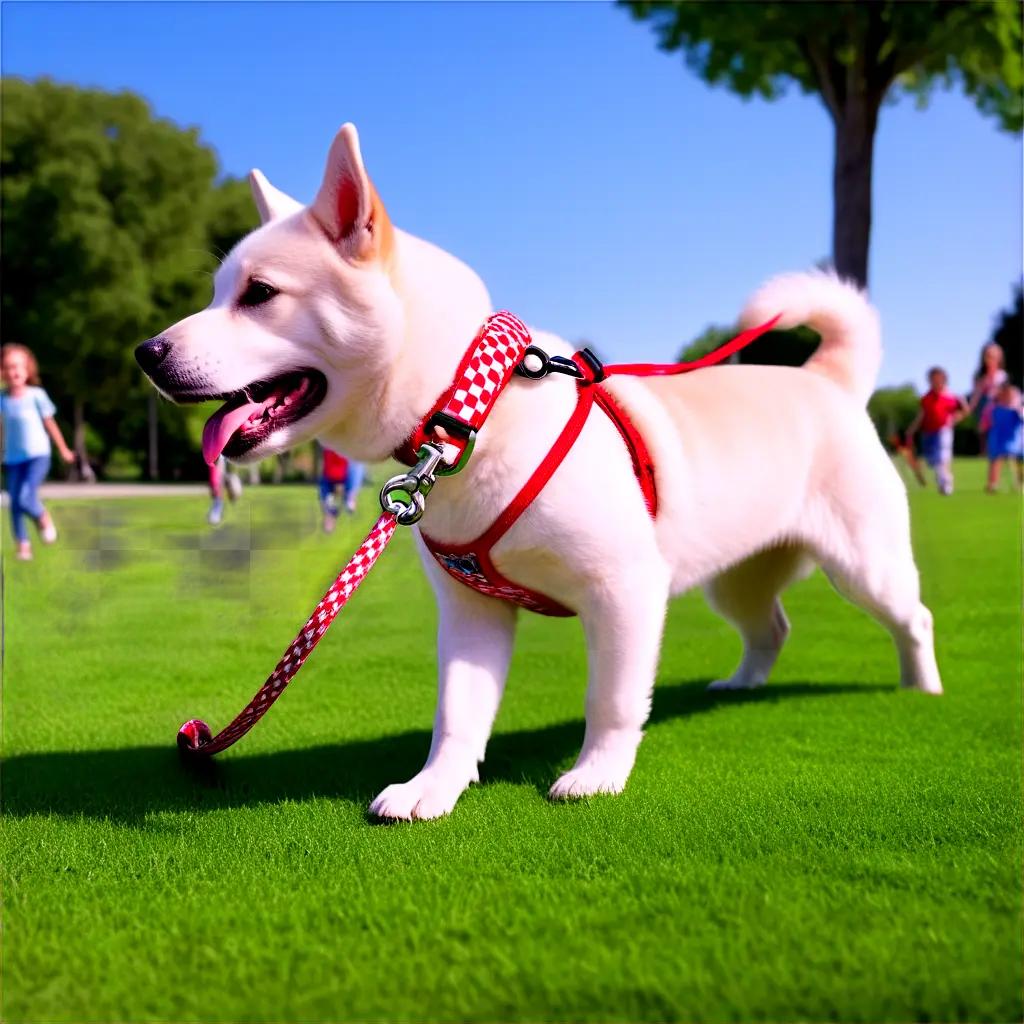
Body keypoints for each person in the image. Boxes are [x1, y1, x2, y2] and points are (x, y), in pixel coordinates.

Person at [0, 344, 75, 560]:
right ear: (2, 372)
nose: (13, 372)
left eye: (17, 367)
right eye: (7, 367)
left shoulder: (36, 395)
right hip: (13, 458)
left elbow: (50, 424)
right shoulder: (2, 400)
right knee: (14, 502)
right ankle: (23, 545)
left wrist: (63, 449)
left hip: (38, 455)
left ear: (27, 370)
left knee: (25, 497)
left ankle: (42, 517)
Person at [905, 366, 965, 496]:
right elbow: (922, 415)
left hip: (944, 431)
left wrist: (953, 420)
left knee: (942, 457)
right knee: (932, 461)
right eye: (932, 379)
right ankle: (942, 479)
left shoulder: (951, 397)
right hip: (928, 432)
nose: (935, 382)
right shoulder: (926, 398)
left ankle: (946, 483)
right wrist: (912, 429)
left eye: (938, 379)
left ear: (944, 380)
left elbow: (963, 411)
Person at [985, 382, 1023, 493]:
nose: (1007, 397)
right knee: (996, 460)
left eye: (1010, 394)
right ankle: (993, 483)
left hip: (1014, 439)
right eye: (1004, 394)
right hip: (998, 438)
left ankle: (1020, 483)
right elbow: (988, 421)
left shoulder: (1018, 409)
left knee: (1018, 461)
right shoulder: (995, 408)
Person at [967, 343, 1008, 445]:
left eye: (993, 357)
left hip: (1000, 409)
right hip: (984, 409)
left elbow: (1006, 395)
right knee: (985, 435)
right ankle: (987, 454)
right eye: (988, 356)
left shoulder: (1002, 375)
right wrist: (969, 408)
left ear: (999, 358)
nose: (990, 359)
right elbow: (976, 395)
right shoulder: (980, 376)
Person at [318, 445, 349, 533]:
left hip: (330, 475)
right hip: (337, 476)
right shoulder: (336, 509)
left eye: (326, 523)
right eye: (329, 523)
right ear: (334, 522)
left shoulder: (326, 508)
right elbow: (340, 493)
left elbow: (324, 495)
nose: (327, 521)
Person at [207, 455, 242, 526]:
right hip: (217, 482)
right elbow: (216, 472)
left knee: (218, 500)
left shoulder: (219, 458)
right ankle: (214, 517)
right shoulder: (216, 459)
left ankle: (214, 516)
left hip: (219, 481)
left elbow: (220, 470)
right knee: (218, 500)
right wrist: (216, 485)